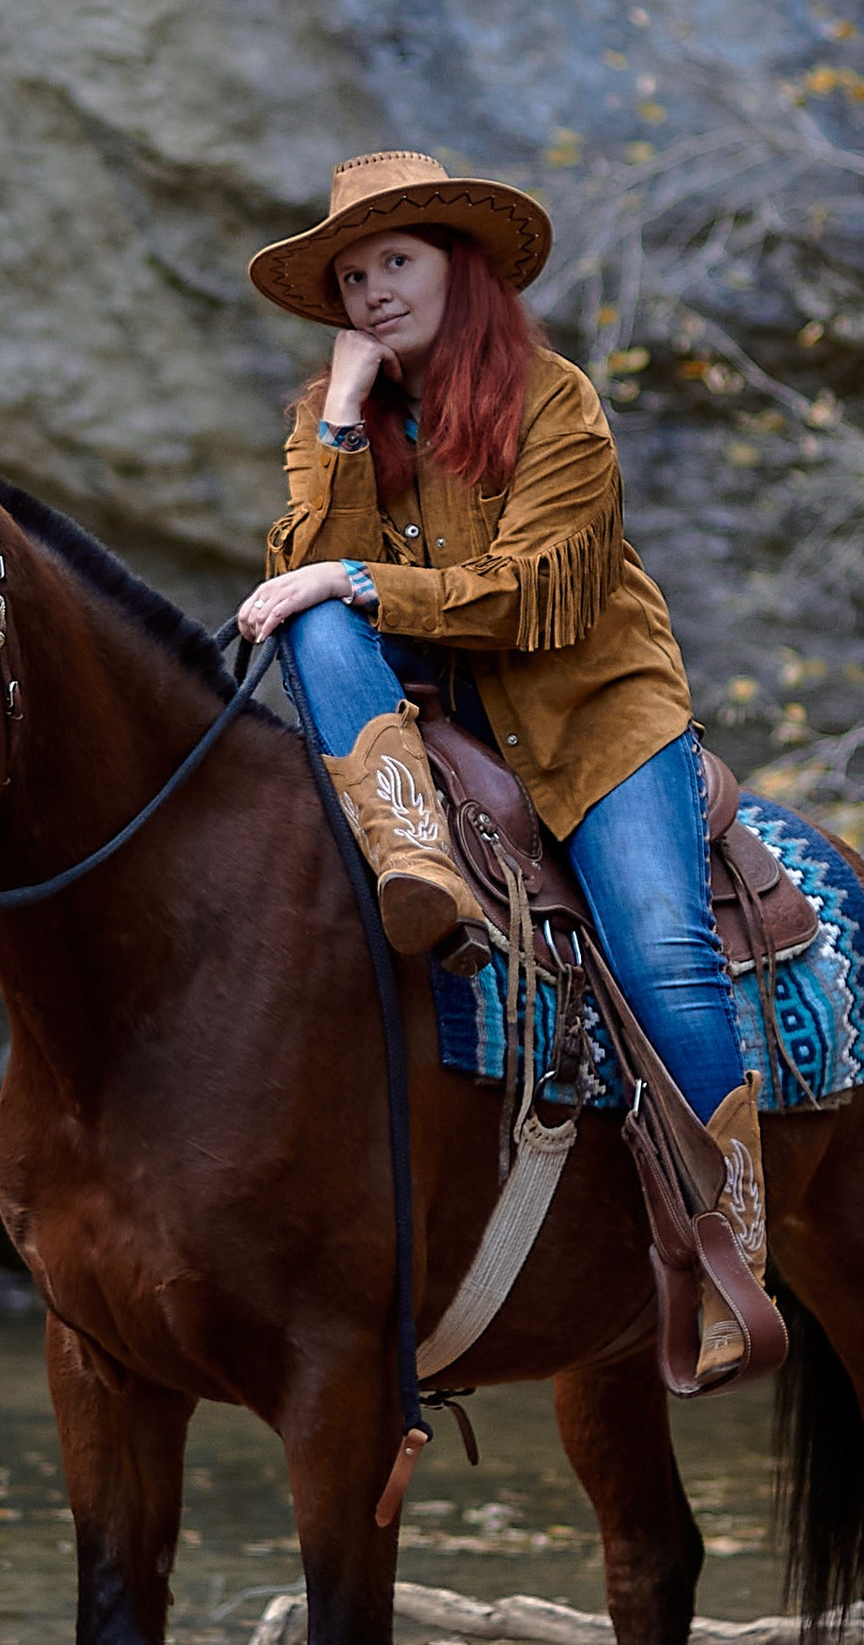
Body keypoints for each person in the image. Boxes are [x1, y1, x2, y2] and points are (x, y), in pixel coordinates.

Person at [238, 147, 757, 1178]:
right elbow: (302, 575)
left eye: (395, 262)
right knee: (318, 615)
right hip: (438, 733)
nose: (372, 292)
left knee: (664, 958)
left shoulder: (554, 401)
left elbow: (527, 595)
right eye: (352, 278)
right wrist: (341, 418)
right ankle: (415, 858)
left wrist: (355, 578)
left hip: (589, 723)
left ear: (457, 267)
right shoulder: (326, 422)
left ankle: (726, 1244)